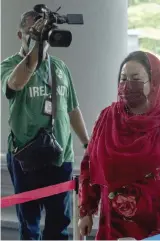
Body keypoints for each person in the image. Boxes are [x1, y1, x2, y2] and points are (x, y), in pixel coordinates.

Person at [78, 51, 160, 240]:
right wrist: (86, 210)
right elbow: (89, 165)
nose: (127, 85)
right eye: (123, 78)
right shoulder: (108, 117)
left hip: (156, 227)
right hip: (113, 225)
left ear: (154, 81)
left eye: (136, 78)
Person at [1, 11, 89, 240]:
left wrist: (87, 143)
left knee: (59, 225)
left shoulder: (60, 67)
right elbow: (14, 85)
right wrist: (36, 50)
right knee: (29, 226)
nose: (39, 37)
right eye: (33, 32)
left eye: (42, 33)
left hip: (60, 156)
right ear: (20, 35)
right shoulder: (9, 65)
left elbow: (72, 108)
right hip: (25, 157)